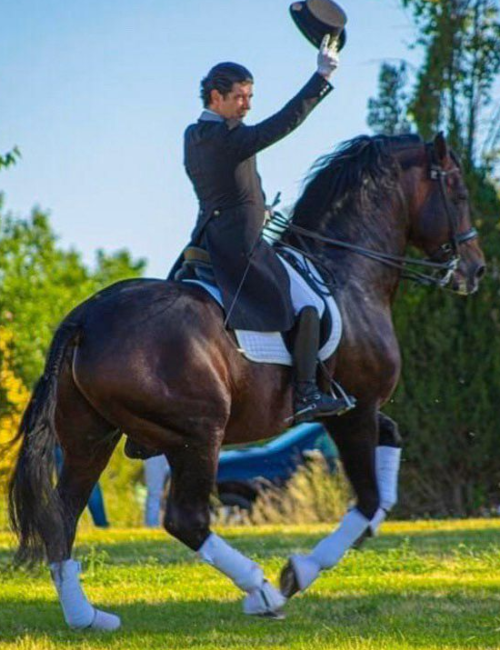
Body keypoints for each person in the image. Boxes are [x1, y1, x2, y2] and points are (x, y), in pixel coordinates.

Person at [125, 35, 346, 461]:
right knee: (308, 308)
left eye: (250, 97)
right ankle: (305, 394)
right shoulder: (227, 138)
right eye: (240, 98)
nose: (247, 106)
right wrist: (321, 76)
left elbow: (232, 187)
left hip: (210, 237)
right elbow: (283, 123)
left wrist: (259, 208)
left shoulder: (196, 135)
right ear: (216, 97)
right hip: (243, 247)